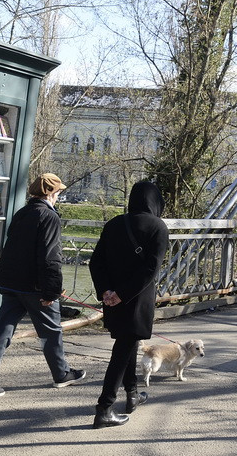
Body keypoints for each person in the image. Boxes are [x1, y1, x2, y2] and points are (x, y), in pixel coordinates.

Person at [0, 172, 85, 400]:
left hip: (11, 283)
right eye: (58, 192)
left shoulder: (22, 213)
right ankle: (61, 374)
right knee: (51, 331)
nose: (59, 196)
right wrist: (52, 290)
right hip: (35, 287)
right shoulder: (49, 216)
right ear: (51, 193)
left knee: (1, 332)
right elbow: (50, 256)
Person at [89, 180, 170, 429]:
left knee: (129, 344)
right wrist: (123, 294)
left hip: (112, 298)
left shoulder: (114, 223)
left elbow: (96, 262)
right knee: (123, 350)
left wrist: (107, 291)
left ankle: (132, 394)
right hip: (137, 298)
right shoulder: (158, 227)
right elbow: (150, 270)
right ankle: (104, 408)